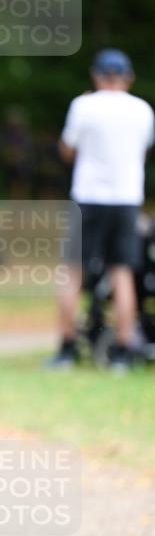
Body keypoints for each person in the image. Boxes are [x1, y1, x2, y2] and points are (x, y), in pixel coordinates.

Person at [48, 49, 154, 372]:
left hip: (88, 196)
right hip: (126, 199)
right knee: (122, 273)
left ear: (96, 75)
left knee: (72, 271)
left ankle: (66, 349)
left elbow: (68, 150)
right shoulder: (143, 110)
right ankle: (122, 352)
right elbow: (144, 150)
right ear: (128, 77)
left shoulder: (84, 106)